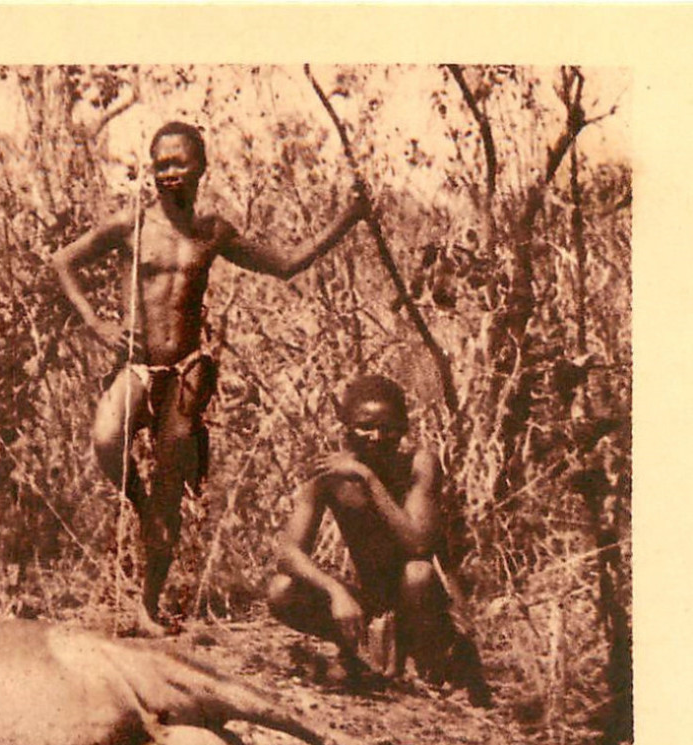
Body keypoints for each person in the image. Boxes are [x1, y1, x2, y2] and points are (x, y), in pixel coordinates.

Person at [52, 119, 370, 635]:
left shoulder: (213, 232)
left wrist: (349, 218)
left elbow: (285, 263)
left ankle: (149, 607)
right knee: (108, 438)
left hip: (186, 370)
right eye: (160, 164)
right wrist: (95, 322)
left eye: (179, 163)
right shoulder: (131, 224)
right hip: (138, 364)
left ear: (201, 167)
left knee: (172, 486)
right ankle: (139, 504)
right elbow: (63, 261)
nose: (169, 173)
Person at [265, 375, 487, 700]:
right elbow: (288, 553)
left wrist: (368, 479)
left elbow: (418, 544)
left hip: (427, 605)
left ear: (405, 428)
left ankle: (429, 663)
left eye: (390, 428)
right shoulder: (330, 474)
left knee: (417, 573)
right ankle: (365, 654)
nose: (377, 437)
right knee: (281, 589)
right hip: (376, 602)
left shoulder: (419, 464)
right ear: (345, 426)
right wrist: (337, 591)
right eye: (365, 426)